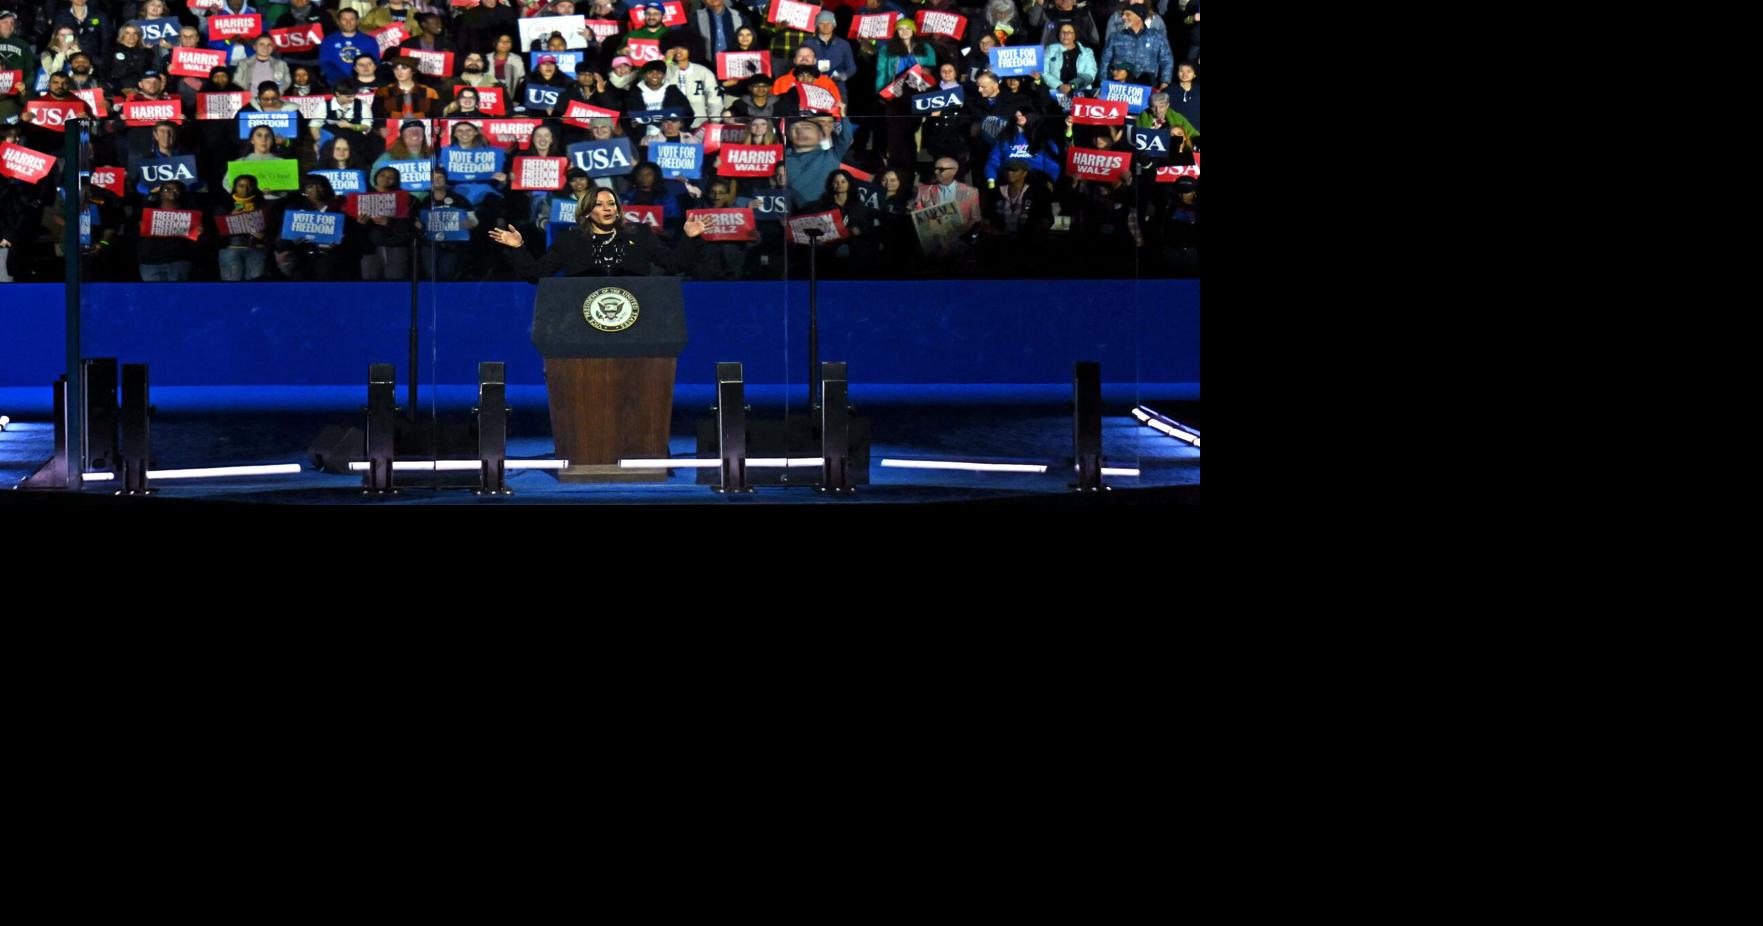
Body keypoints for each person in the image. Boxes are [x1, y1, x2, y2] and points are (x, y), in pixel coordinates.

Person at [489, 186, 706, 277]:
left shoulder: (639, 233)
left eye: (611, 204)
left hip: (638, 316)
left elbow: (676, 265)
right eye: (599, 205)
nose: (608, 209)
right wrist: (518, 248)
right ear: (586, 211)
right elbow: (535, 274)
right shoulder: (569, 240)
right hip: (581, 318)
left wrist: (690, 239)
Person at [275, 172, 347, 279]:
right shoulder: (295, 209)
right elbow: (282, 238)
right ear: (304, 191)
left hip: (331, 258)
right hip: (301, 257)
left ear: (326, 188)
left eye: (319, 186)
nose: (315, 190)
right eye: (310, 187)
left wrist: (339, 242)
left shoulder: (339, 207)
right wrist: (291, 241)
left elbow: (349, 233)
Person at [354, 165, 416, 279]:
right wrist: (360, 224)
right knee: (370, 283)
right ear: (376, 177)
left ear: (396, 180)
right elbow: (353, 228)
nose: (386, 179)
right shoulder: (361, 198)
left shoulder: (408, 199)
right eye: (382, 175)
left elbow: (411, 225)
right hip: (370, 248)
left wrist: (389, 222)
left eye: (390, 177)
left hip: (396, 247)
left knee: (395, 282)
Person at [782, 115, 852, 209]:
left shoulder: (832, 154)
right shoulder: (781, 158)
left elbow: (846, 137)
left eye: (806, 128)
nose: (800, 132)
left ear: (820, 134)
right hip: (794, 214)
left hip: (825, 212)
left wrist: (843, 115)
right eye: (794, 128)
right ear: (788, 134)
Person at [1097, 4, 1171, 91]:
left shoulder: (1156, 36)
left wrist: (1165, 81)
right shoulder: (1115, 37)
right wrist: (1103, 82)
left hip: (1147, 84)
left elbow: (1166, 59)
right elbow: (1105, 61)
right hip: (1119, 86)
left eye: (1128, 14)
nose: (1123, 17)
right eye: (1123, 15)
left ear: (1139, 17)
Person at [137, 179, 200, 281]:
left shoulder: (190, 212)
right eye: (167, 189)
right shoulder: (147, 211)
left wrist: (199, 232)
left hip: (178, 260)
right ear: (160, 193)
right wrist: (139, 228)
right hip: (151, 261)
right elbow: (132, 234)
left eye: (176, 189)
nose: (172, 191)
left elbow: (200, 239)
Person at [214, 172, 270, 280]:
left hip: (256, 250)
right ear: (235, 187)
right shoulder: (224, 205)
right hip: (231, 250)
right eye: (241, 186)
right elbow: (217, 229)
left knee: (256, 289)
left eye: (249, 186)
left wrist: (264, 236)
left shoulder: (263, 205)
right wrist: (230, 216)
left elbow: (273, 226)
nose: (245, 189)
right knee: (232, 290)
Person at [1041, 21, 1097, 110]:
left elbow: (1090, 74)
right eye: (1062, 32)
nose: (1065, 35)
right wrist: (1059, 85)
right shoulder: (1050, 49)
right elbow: (1044, 71)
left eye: (1069, 32)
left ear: (1075, 35)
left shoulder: (1087, 52)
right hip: (1056, 93)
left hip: (1081, 93)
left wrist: (1072, 85)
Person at [319, 7, 379, 85]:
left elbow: (375, 62)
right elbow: (325, 63)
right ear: (338, 22)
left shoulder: (369, 41)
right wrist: (342, 80)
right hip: (337, 84)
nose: (348, 23)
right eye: (344, 20)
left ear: (357, 21)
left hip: (363, 83)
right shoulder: (328, 41)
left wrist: (361, 79)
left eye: (352, 19)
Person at [803, 11, 856, 97]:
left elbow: (851, 67)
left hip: (837, 88)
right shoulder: (807, 44)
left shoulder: (843, 45)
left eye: (829, 23)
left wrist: (843, 75)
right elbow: (800, 65)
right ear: (817, 25)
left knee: (839, 110)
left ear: (834, 25)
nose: (825, 26)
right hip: (813, 88)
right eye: (821, 23)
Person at [1168, 59, 1198, 131]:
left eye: (1188, 71)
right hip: (1176, 131)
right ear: (1177, 73)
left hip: (1197, 131)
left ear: (1194, 74)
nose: (1184, 74)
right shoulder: (1169, 91)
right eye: (1181, 71)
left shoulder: (1198, 90)